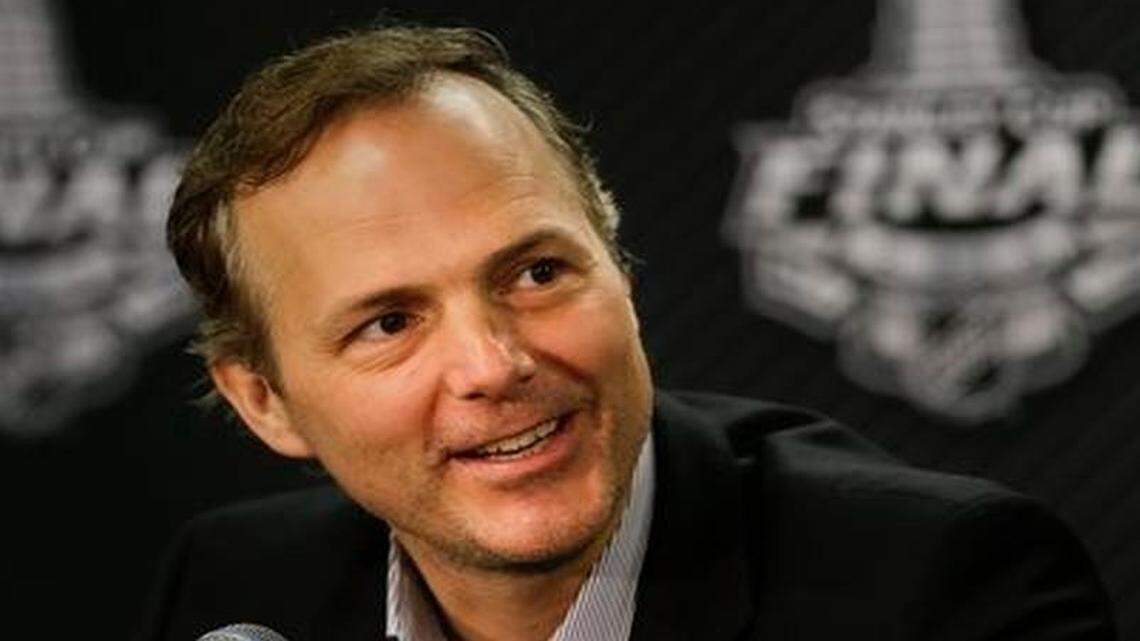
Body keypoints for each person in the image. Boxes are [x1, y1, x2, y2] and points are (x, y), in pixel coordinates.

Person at [138, 25, 1116, 641]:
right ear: (263, 399)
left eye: (537, 272)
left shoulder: (941, 591)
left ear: (621, 269)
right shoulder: (236, 589)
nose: (496, 363)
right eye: (390, 322)